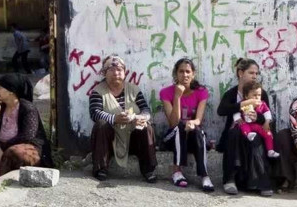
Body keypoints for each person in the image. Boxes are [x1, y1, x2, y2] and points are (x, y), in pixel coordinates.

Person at [0, 74, 53, 191]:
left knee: (13, 151)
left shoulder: (27, 108)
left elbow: (27, 136)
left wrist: (3, 148)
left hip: (30, 149)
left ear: (11, 91)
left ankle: (2, 187)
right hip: (5, 146)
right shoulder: (1, 106)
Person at [88, 55, 158, 183]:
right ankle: (101, 168)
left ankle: (149, 170)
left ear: (124, 72)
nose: (116, 73)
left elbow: (146, 110)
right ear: (104, 73)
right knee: (101, 124)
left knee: (146, 126)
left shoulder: (133, 89)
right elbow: (95, 113)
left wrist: (139, 118)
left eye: (119, 69)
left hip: (132, 139)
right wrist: (114, 118)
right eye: (111, 69)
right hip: (111, 142)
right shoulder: (97, 92)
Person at [216, 58, 275, 197]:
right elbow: (221, 110)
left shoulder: (261, 94)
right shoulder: (232, 93)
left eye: (256, 73)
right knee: (235, 133)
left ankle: (260, 182)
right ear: (241, 73)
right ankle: (230, 180)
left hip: (255, 130)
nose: (254, 76)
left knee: (256, 139)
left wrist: (257, 118)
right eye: (251, 72)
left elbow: (267, 116)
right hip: (236, 130)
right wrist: (243, 104)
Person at [159, 57, 215, 191]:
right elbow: (173, 123)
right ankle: (177, 171)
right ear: (176, 74)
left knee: (198, 130)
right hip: (172, 137)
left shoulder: (201, 91)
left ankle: (204, 176)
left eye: (188, 72)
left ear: (193, 74)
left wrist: (192, 123)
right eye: (181, 71)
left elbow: (199, 119)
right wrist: (177, 96)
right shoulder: (166, 92)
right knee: (179, 127)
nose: (185, 75)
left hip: (191, 135)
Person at [234, 81, 280, 159]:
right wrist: (238, 119)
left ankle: (270, 150)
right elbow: (235, 112)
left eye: (259, 95)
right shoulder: (243, 103)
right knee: (243, 126)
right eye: (254, 95)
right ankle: (248, 135)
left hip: (257, 125)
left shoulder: (262, 104)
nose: (257, 97)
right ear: (246, 96)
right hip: (246, 124)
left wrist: (267, 122)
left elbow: (267, 113)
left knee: (267, 133)